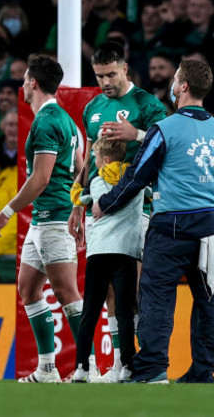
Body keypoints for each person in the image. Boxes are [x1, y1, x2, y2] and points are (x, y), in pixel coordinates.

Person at [92, 59, 214, 384]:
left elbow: (137, 175)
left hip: (171, 225)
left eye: (175, 79)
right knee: (209, 300)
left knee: (157, 296)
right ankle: (203, 372)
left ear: (183, 86)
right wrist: (211, 215)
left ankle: (153, 368)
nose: (173, 85)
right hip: (210, 227)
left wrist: (106, 202)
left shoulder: (165, 129)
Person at [68, 41, 167, 383]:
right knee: (108, 290)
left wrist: (136, 134)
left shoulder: (146, 103)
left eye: (111, 74)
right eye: (99, 76)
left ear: (125, 68)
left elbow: (167, 146)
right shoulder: (93, 107)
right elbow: (89, 159)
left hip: (138, 205)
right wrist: (76, 205)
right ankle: (120, 365)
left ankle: (143, 362)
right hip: (97, 205)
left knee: (131, 288)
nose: (106, 81)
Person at [0, 54, 84, 383]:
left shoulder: (45, 122)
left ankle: (86, 367)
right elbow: (79, 168)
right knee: (28, 288)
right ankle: (47, 368)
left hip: (52, 217)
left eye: (25, 78)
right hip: (45, 219)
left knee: (66, 291)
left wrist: (5, 213)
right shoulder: (67, 121)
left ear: (33, 83)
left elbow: (41, 179)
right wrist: (78, 207)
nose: (22, 84)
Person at [72, 138, 141, 383]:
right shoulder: (136, 180)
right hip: (126, 251)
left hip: (99, 251)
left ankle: (81, 368)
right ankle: (128, 367)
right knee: (124, 311)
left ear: (106, 160)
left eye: (97, 159)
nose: (96, 163)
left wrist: (79, 181)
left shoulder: (96, 181)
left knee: (89, 312)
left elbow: (78, 199)